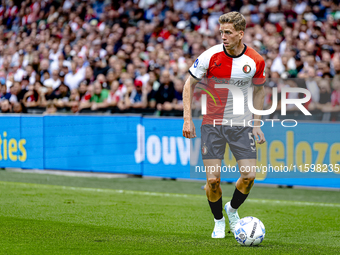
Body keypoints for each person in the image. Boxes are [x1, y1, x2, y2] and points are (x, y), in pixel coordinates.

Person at [182, 12, 266, 239]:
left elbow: (259, 90)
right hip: (212, 125)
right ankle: (219, 221)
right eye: (221, 32)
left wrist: (257, 124)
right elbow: (188, 85)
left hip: (241, 125)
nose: (223, 36)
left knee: (249, 176)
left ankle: (232, 209)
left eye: (228, 32)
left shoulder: (255, 60)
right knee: (212, 180)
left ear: (241, 34)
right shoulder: (210, 56)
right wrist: (187, 118)